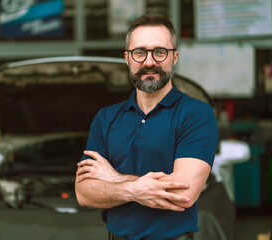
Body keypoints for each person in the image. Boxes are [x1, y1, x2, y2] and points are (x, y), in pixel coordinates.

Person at [75, 13, 219, 240]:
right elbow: (83, 192)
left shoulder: (197, 114)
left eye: (160, 52)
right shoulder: (106, 118)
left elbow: (183, 193)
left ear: (174, 57)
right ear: (127, 58)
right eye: (139, 52)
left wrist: (114, 179)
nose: (149, 61)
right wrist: (134, 189)